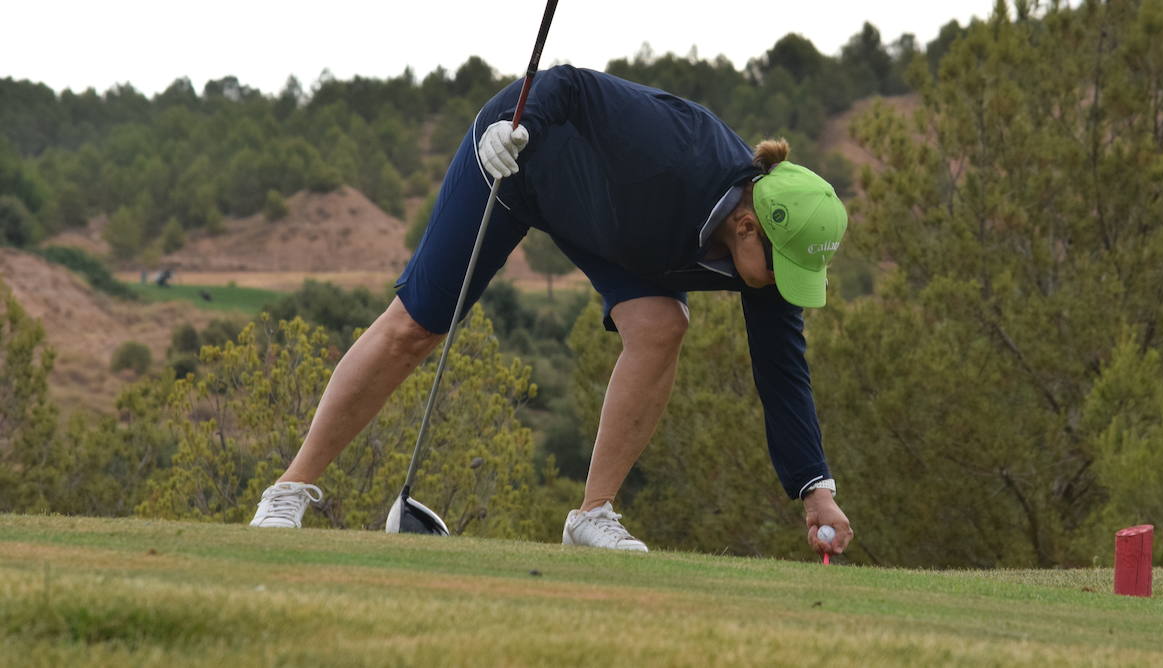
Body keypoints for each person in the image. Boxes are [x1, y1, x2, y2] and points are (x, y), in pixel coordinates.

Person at [250, 66, 852, 556]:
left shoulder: (763, 259)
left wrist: (814, 489)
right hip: (518, 159)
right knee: (416, 326)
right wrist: (517, 127)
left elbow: (783, 373)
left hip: (615, 226)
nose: (784, 285)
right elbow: (569, 85)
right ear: (748, 225)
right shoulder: (674, 145)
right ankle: (288, 490)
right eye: (783, 267)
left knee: (662, 326)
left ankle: (592, 515)